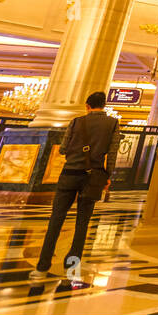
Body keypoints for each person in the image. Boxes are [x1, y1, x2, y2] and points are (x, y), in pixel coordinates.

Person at [30, 91, 120, 280]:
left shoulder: (77, 122)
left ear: (87, 106)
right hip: (93, 177)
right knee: (82, 222)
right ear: (104, 105)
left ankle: (42, 266)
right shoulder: (112, 123)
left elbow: (63, 148)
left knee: (56, 220)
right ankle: (71, 267)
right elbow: (112, 153)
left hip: (69, 174)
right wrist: (108, 176)